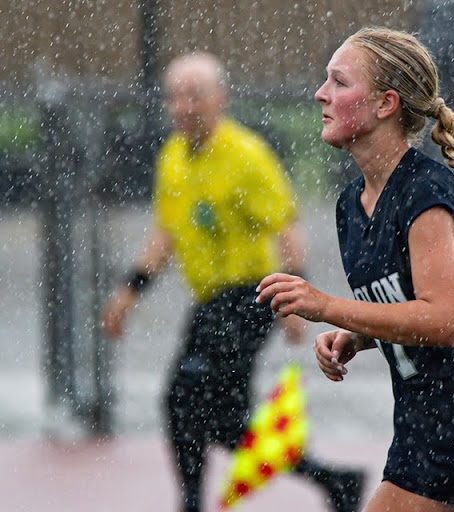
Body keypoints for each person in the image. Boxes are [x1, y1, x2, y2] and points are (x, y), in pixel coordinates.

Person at [101, 51, 365, 512]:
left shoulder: (246, 155)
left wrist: (296, 299)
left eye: (194, 96)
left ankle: (190, 502)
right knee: (223, 423)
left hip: (251, 296)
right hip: (210, 302)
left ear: (220, 100)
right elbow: (165, 233)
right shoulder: (173, 158)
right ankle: (332, 481)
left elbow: (288, 224)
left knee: (182, 395)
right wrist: (129, 292)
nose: (183, 106)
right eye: (174, 97)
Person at [256, 27, 454, 512]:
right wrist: (357, 335)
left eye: (340, 82)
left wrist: (328, 307)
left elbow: (445, 322)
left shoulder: (424, 192)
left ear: (386, 104)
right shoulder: (351, 207)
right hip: (423, 429)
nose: (321, 93)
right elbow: (402, 306)